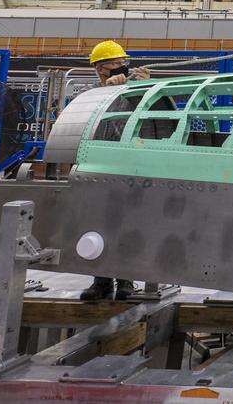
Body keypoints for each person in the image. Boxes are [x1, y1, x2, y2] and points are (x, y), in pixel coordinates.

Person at [78, 40, 150, 302]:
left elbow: (151, 119)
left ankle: (126, 281)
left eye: (123, 63)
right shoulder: (89, 94)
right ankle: (101, 281)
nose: (122, 67)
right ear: (100, 68)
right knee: (97, 225)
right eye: (116, 64)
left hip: (127, 167)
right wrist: (104, 93)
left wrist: (143, 87)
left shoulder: (134, 91)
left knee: (126, 223)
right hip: (96, 167)